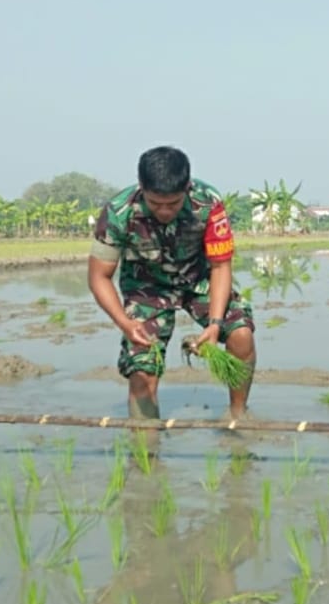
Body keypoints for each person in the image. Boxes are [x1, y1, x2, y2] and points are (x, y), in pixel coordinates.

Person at [88, 145, 256, 420]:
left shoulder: (208, 202)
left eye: (173, 204)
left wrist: (214, 324)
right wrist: (125, 323)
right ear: (142, 187)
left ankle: (238, 416)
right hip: (147, 290)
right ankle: (146, 451)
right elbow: (98, 277)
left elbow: (220, 265)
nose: (165, 211)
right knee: (142, 371)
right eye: (155, 204)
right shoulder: (118, 212)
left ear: (187, 188)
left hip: (198, 280)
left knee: (240, 333)